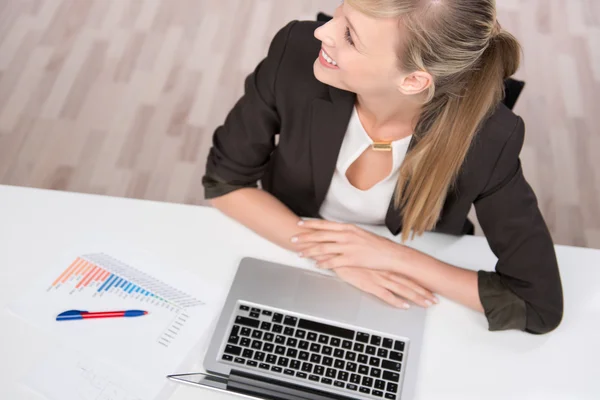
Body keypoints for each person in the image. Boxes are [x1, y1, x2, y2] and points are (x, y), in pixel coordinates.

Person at [202, 0, 563, 334]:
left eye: (350, 36)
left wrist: (391, 256)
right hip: (290, 235)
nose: (322, 32)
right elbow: (226, 182)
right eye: (340, 12)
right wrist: (338, 259)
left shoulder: (491, 137)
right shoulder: (294, 52)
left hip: (413, 265)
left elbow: (537, 305)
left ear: (413, 80)